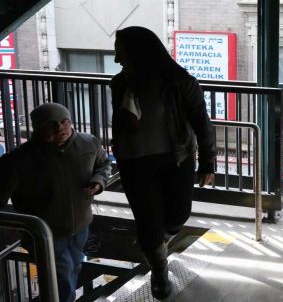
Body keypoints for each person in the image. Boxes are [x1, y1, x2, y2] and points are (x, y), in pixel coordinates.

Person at [110, 26, 215, 299]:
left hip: (175, 158)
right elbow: (119, 123)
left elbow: (201, 123)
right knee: (147, 220)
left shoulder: (179, 82)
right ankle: (159, 267)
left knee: (179, 213)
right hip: (134, 162)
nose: (116, 57)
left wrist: (207, 161)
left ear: (138, 50)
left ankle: (158, 246)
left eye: (119, 50)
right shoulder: (120, 83)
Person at [0, 102, 110, 302]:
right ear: (38, 128)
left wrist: (98, 182)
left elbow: (103, 164)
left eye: (64, 121)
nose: (60, 128)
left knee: (73, 269)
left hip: (80, 226)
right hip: (44, 233)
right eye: (51, 124)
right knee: (61, 278)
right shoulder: (19, 159)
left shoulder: (88, 143)